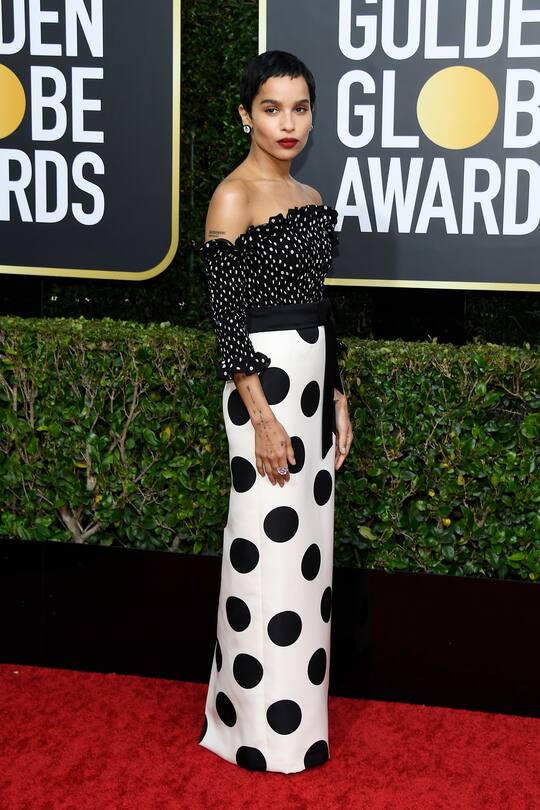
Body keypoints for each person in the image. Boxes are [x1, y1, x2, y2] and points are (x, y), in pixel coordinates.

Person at [192, 50, 353, 774]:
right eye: (271, 108)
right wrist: (261, 417)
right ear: (245, 115)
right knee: (264, 555)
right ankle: (253, 730)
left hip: (313, 392)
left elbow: (322, 305)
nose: (288, 123)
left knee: (305, 563)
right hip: (263, 391)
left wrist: (338, 395)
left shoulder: (310, 196)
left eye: (300, 108)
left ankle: (298, 726)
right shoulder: (233, 196)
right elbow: (228, 322)